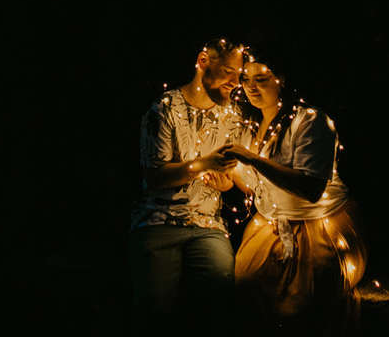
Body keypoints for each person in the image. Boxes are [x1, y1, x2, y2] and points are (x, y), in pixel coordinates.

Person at [224, 56, 367, 335]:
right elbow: (255, 186)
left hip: (322, 224)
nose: (251, 87)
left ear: (281, 80)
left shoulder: (311, 121)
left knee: (306, 299)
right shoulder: (246, 125)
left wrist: (251, 159)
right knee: (245, 285)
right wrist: (225, 182)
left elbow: (311, 190)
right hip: (271, 225)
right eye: (246, 79)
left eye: (261, 79)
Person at [129, 38, 249, 330]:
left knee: (221, 284)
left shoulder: (233, 118)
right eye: (229, 72)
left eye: (240, 74)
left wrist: (223, 184)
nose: (236, 82)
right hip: (158, 221)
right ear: (203, 61)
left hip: (208, 225)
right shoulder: (163, 109)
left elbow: (232, 180)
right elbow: (155, 177)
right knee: (154, 308)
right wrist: (203, 165)